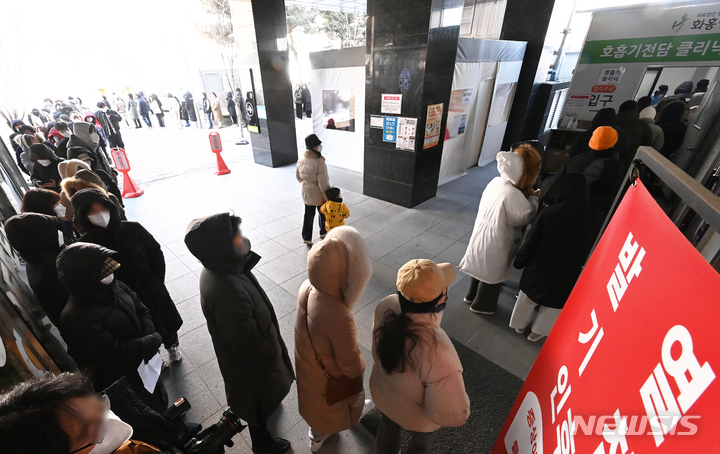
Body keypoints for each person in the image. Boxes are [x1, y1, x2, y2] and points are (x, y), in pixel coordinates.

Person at [184, 212, 294, 454]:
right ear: (221, 246)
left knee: (259, 400)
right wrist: (271, 357)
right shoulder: (227, 290)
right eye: (236, 236)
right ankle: (264, 444)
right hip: (252, 369)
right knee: (257, 404)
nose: (242, 238)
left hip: (244, 364)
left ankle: (266, 414)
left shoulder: (222, 267)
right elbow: (247, 345)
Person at [71, 189, 183, 362]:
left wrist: (156, 279)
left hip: (150, 287)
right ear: (83, 216)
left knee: (165, 321)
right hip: (123, 299)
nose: (100, 214)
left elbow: (155, 253)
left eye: (103, 208)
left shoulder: (133, 229)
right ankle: (155, 356)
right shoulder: (85, 246)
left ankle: (172, 345)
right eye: (92, 211)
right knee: (140, 328)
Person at [371, 259, 470, 454]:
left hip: (383, 394)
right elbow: (454, 414)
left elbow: (377, 354)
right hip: (416, 419)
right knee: (420, 447)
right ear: (441, 301)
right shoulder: (439, 349)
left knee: (387, 430)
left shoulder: (386, 306)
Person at [56, 243, 168, 414]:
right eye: (103, 272)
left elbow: (141, 308)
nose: (110, 275)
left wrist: (148, 335)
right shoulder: (75, 319)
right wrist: (152, 340)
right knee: (147, 411)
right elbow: (115, 353)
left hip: (145, 363)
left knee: (159, 396)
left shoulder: (115, 286)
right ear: (83, 279)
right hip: (125, 380)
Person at [294, 226, 371, 451]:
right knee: (333, 404)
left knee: (314, 400)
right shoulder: (338, 315)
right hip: (330, 376)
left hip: (308, 363)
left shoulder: (307, 286)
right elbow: (350, 366)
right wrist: (363, 363)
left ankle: (316, 432)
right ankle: (319, 436)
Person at [510, 173, 604, 342]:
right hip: (569, 269)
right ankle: (537, 332)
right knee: (553, 305)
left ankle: (519, 324)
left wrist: (520, 261)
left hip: (540, 266)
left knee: (527, 297)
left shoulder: (550, 212)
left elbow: (531, 242)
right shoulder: (596, 215)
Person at [460, 144, 541, 315]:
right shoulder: (512, 193)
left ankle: (470, 295)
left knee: (480, 266)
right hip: (498, 239)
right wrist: (533, 199)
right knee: (493, 274)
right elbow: (526, 216)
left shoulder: (496, 182)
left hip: (483, 233)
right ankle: (482, 305)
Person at [6, 213, 70, 325]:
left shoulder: (36, 261)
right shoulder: (55, 270)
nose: (58, 232)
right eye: (52, 230)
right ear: (42, 238)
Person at [296, 134, 330, 244]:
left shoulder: (301, 159)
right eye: (318, 144)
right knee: (323, 213)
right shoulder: (319, 161)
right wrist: (327, 197)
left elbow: (298, 176)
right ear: (314, 146)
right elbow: (323, 182)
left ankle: (306, 237)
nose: (320, 146)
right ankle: (323, 232)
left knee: (308, 215)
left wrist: (306, 184)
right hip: (319, 193)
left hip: (306, 191)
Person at [614, 100, 653, 168]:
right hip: (630, 161)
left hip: (607, 159)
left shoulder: (611, 122)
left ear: (619, 110)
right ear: (636, 109)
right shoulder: (642, 125)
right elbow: (646, 145)